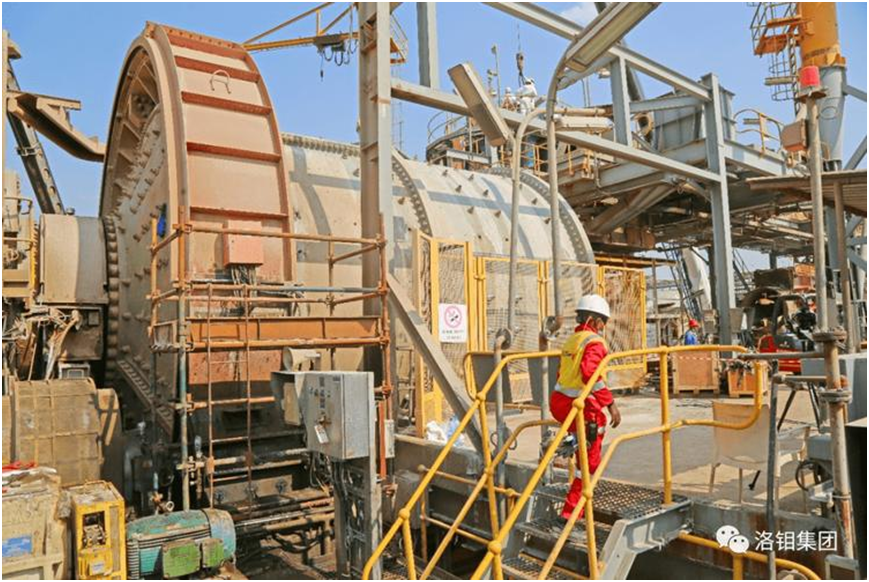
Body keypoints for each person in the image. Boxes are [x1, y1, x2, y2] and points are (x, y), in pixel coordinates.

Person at [550, 294, 620, 520]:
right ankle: (571, 513)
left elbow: (562, 373)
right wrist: (610, 404)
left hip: (559, 402)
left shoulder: (573, 340)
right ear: (594, 321)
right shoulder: (595, 342)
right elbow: (590, 373)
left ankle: (574, 442)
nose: (603, 328)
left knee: (583, 436)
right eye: (602, 323)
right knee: (590, 463)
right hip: (577, 405)